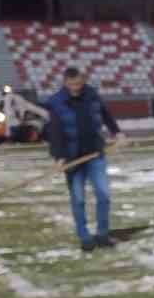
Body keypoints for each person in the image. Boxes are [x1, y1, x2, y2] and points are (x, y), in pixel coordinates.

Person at [45, 67, 120, 252]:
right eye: (71, 84)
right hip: (72, 158)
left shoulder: (93, 96)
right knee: (78, 200)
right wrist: (59, 156)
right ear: (65, 82)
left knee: (103, 195)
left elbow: (105, 115)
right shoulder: (56, 102)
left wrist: (116, 132)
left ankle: (102, 235)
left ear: (83, 80)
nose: (75, 87)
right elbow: (54, 133)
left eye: (78, 83)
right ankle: (85, 237)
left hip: (95, 154)